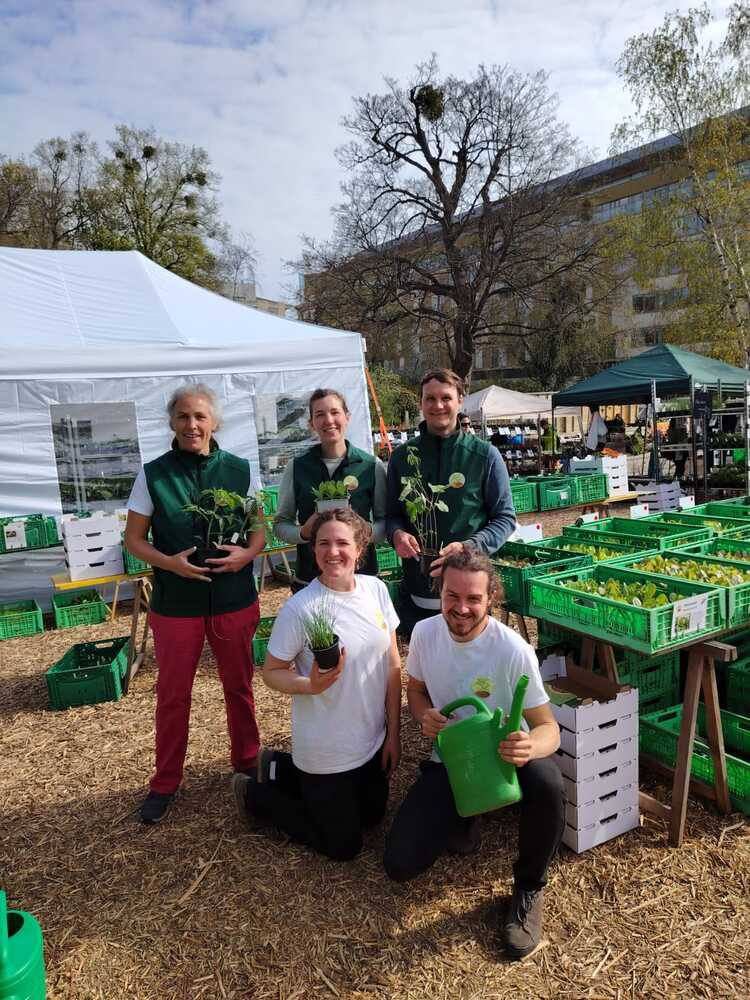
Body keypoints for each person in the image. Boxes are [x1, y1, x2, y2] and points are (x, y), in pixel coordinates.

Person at [383, 546, 565, 960]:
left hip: (504, 759)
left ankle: (529, 888)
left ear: (491, 599)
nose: (461, 608)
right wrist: (424, 715)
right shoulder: (427, 633)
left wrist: (528, 746)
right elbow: (416, 689)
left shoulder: (512, 650)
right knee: (400, 864)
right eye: (452, 596)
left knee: (548, 783)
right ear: (441, 592)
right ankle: (468, 815)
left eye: (473, 599)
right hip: (453, 760)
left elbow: (548, 728)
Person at [124, 384, 267, 825]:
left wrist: (247, 553)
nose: (192, 425)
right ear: (172, 422)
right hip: (177, 602)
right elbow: (133, 540)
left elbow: (258, 528)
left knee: (239, 687)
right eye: (183, 417)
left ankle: (246, 763)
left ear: (214, 422)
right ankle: (165, 781)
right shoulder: (154, 475)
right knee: (172, 695)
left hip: (232, 596)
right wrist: (170, 563)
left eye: (200, 417)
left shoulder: (240, 470)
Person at [232, 508, 402, 861]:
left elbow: (392, 664)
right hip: (326, 750)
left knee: (373, 817)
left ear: (360, 548)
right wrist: (308, 685)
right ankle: (256, 795)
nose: (333, 551)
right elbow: (271, 672)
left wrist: (393, 735)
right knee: (344, 846)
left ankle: (279, 767)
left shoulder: (376, 590)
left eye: (342, 543)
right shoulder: (301, 608)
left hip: (370, 741)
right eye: (323, 543)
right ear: (314, 550)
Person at [386, 368, 516, 638]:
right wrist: (397, 533)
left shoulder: (484, 456)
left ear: (460, 401)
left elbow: (505, 519)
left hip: (468, 596)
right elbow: (391, 514)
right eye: (429, 399)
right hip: (418, 593)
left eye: (446, 397)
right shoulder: (402, 458)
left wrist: (468, 547)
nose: (438, 405)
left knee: (472, 669)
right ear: (421, 404)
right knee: (424, 669)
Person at [274, 388, 387, 590]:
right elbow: (281, 525)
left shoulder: (371, 466)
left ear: (347, 417)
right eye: (320, 415)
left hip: (361, 578)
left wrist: (366, 531)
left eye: (335, 412)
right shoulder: (297, 467)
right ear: (311, 424)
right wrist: (303, 532)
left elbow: (385, 522)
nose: (328, 420)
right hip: (310, 579)